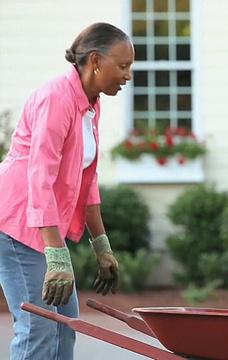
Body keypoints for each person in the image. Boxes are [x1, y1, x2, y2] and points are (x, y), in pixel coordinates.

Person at [0, 22, 134, 359]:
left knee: (64, 324)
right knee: (39, 326)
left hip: (41, 228)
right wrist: (57, 257)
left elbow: (86, 179)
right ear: (95, 61)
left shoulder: (90, 103)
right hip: (16, 223)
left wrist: (101, 245)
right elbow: (40, 177)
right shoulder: (57, 99)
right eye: (123, 66)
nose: (128, 75)